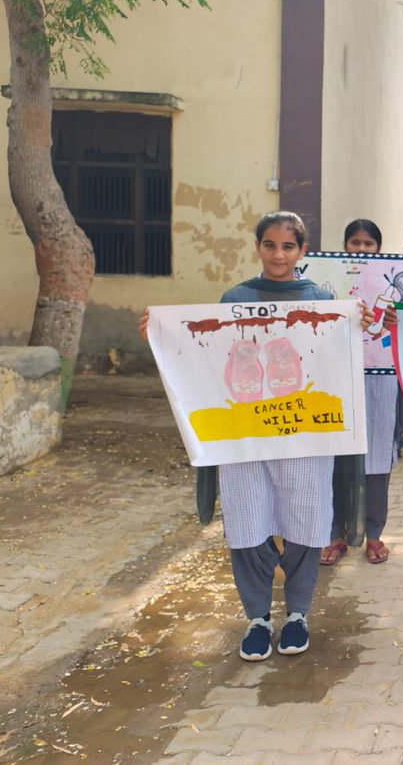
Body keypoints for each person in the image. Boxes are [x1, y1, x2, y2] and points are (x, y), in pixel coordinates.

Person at [139, 212, 373, 661]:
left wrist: (359, 322)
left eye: (288, 246)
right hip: (244, 437)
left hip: (304, 437)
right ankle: (258, 618)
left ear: (302, 250)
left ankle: (298, 614)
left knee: (305, 523)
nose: (278, 255)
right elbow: (205, 357)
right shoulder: (234, 299)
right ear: (258, 246)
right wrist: (160, 335)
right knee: (248, 524)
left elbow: (335, 361)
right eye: (270, 245)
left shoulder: (322, 300)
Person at [321, 219, 402, 566]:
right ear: (345, 245)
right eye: (355, 242)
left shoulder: (392, 286)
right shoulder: (326, 284)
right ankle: (334, 533)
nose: (362, 249)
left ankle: (373, 533)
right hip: (337, 379)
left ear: (378, 248)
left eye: (369, 244)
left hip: (380, 378)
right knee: (334, 457)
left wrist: (397, 320)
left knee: (377, 456)